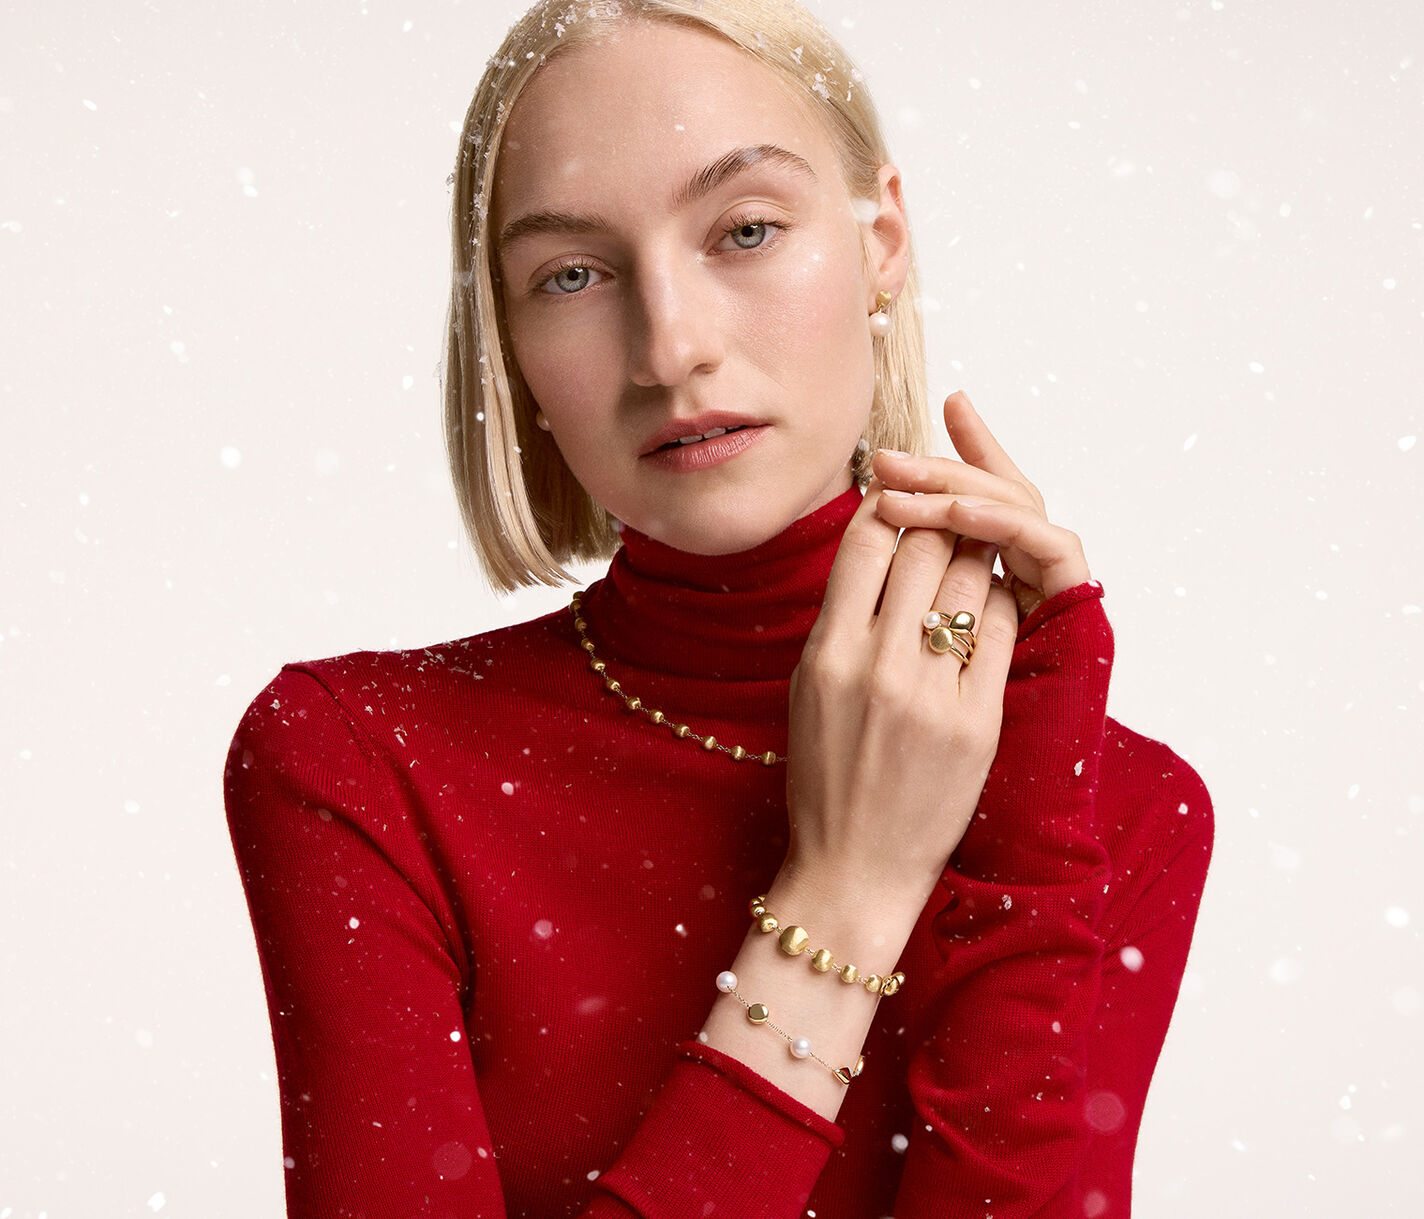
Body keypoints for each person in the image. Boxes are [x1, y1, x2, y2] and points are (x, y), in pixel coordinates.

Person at [224, 1, 1213, 1215]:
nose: (672, 346)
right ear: (513, 347)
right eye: (572, 274)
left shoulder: (1121, 808)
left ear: (881, 241)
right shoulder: (356, 759)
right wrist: (842, 896)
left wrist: (1024, 831)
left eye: (745, 229)